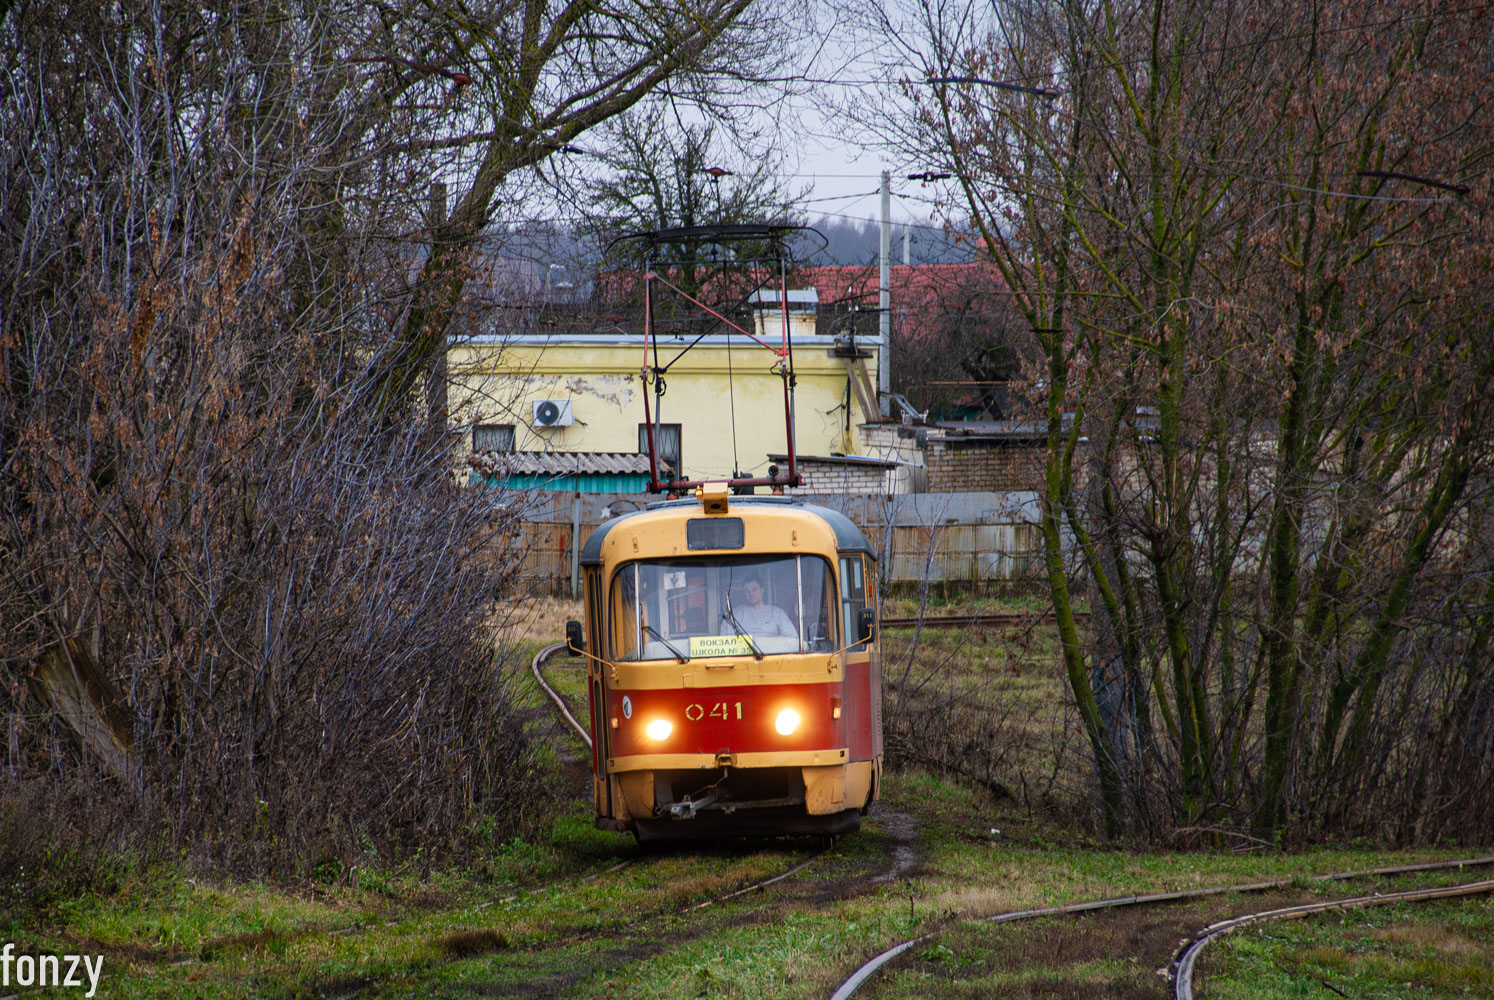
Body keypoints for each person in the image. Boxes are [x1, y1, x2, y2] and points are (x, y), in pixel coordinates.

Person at [722, 575, 796, 640]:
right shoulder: (734, 614)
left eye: (754, 590)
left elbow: (792, 638)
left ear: (762, 590)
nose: (751, 594)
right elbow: (725, 640)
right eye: (747, 591)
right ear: (744, 593)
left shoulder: (777, 613)